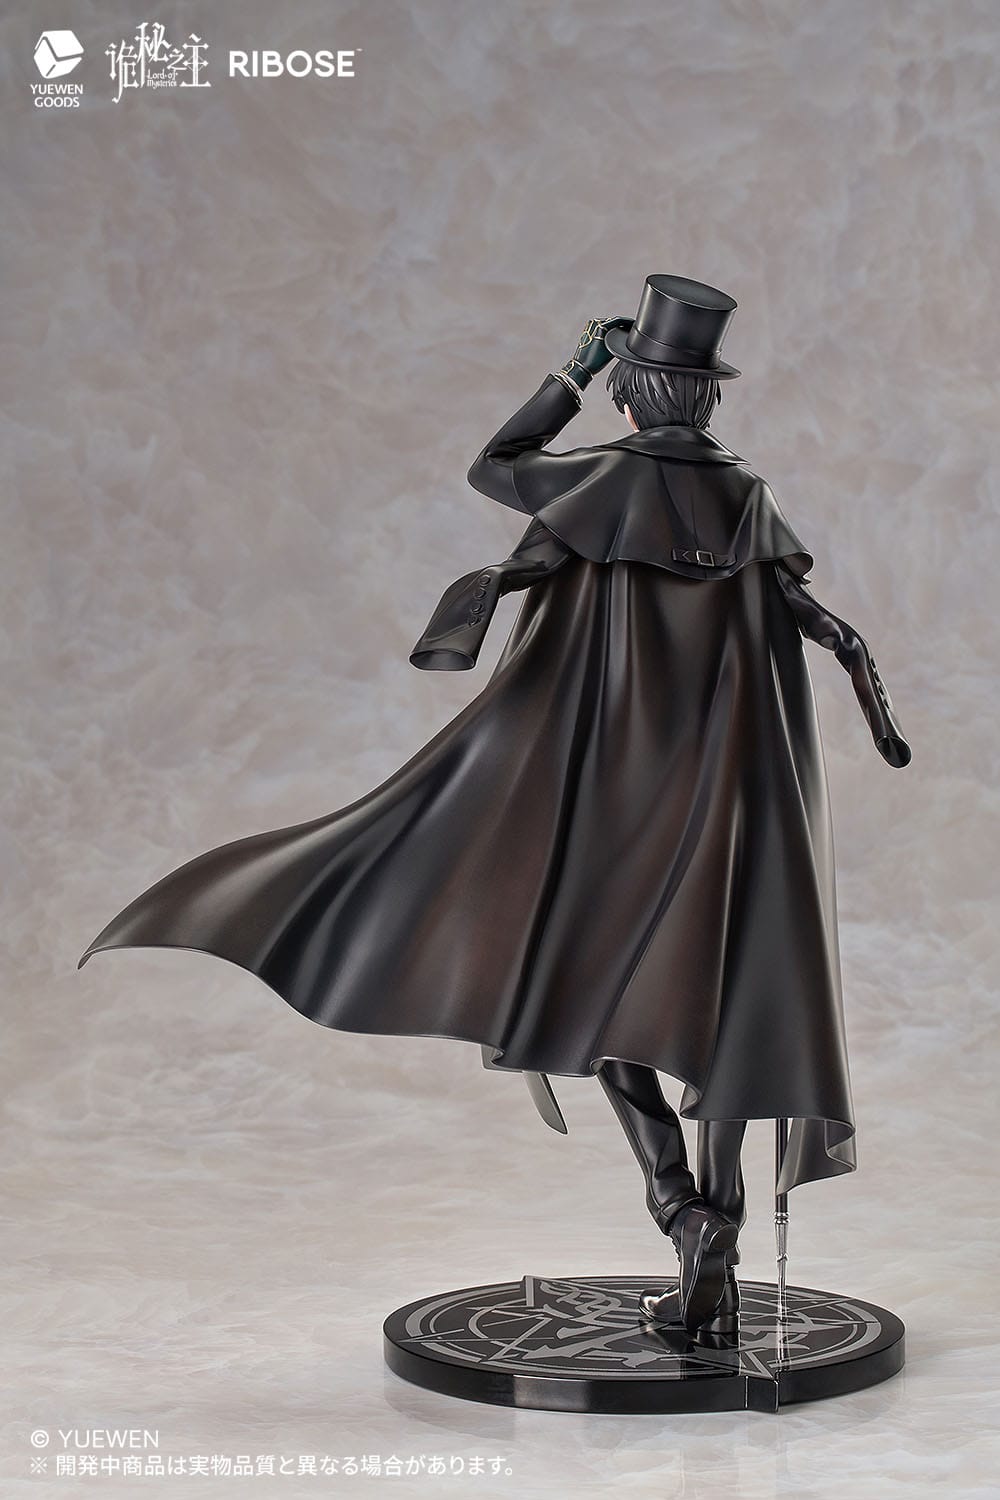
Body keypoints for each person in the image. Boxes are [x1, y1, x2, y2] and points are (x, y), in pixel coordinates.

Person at [80, 275, 910, 1334]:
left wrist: (575, 364)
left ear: (632, 392)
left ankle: (683, 1212)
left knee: (603, 1015)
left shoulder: (598, 482)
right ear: (706, 395)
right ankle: (720, 1228)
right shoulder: (747, 499)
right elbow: (825, 625)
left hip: (612, 818)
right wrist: (879, 717)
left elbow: (495, 462)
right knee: (729, 1020)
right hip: (736, 819)